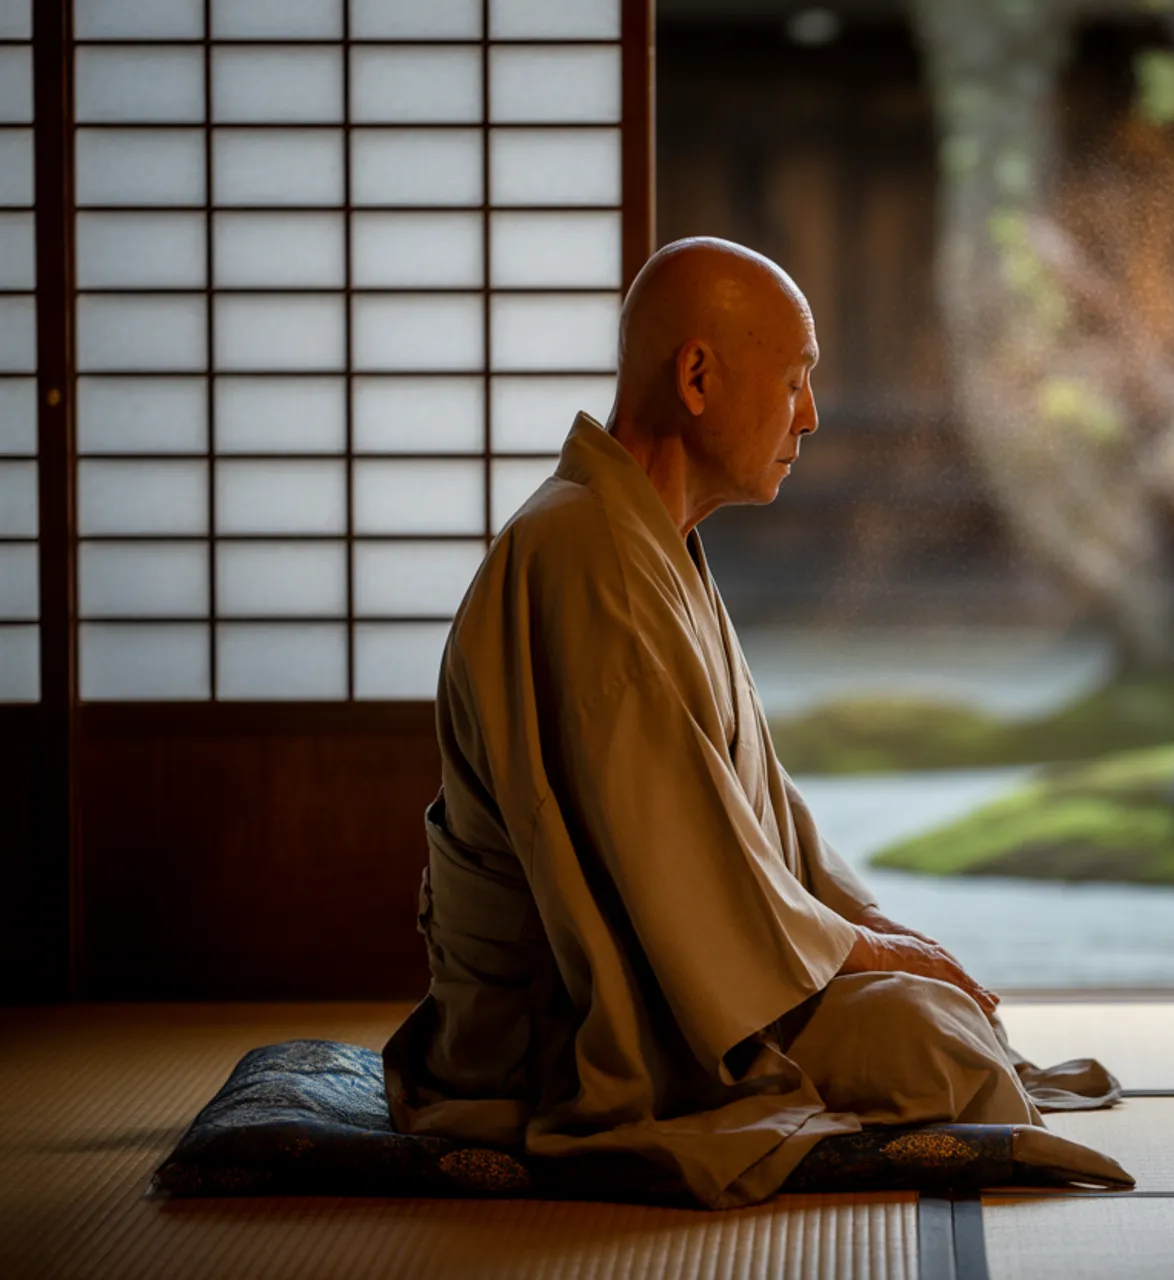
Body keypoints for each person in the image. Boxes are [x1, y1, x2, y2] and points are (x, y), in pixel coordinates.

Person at [383, 237, 1127, 1208]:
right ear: (698, 375)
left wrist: (874, 927)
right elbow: (680, 863)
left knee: (933, 1010)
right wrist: (874, 956)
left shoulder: (649, 540)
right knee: (932, 1046)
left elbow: (764, 816)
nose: (810, 416)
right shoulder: (584, 556)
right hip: (571, 1019)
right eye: (795, 380)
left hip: (688, 960)